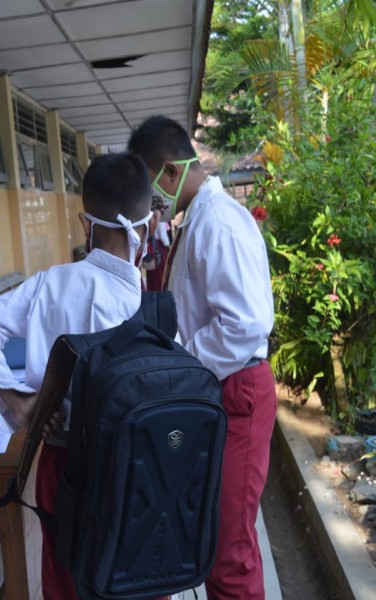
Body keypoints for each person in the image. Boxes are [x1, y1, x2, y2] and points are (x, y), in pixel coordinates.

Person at [0, 152, 155, 600]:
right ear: (146, 229)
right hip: (142, 472)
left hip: (66, 468)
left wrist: (13, 397)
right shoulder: (153, 306)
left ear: (86, 223)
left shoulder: (51, 284)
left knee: (69, 583)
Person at [128, 115, 276, 600]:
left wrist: (181, 362)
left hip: (238, 389)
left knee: (231, 546)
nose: (151, 201)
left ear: (171, 172)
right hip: (217, 387)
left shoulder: (218, 223)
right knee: (211, 534)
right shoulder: (196, 220)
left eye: (151, 187)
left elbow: (246, 324)